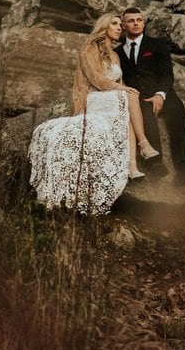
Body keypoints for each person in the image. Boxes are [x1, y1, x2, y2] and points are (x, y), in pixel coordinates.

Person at [28, 14, 160, 215]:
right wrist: (122, 89)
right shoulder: (90, 47)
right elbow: (96, 78)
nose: (119, 28)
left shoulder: (114, 55)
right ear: (104, 26)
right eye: (114, 24)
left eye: (119, 25)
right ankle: (143, 145)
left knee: (128, 100)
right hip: (93, 98)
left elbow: (121, 84)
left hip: (111, 97)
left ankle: (132, 166)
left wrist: (124, 89)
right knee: (128, 96)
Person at [117, 7, 185, 186]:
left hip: (163, 93)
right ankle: (155, 164)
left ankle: (184, 170)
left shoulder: (157, 45)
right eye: (131, 21)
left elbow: (166, 73)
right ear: (124, 25)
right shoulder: (117, 52)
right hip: (138, 97)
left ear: (143, 23)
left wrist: (160, 95)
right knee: (144, 114)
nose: (136, 23)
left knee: (177, 111)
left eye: (139, 20)